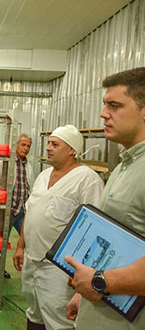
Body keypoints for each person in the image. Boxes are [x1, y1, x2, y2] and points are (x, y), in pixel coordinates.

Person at [65, 67, 145, 329]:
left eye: (115, 105)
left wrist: (99, 281)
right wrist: (82, 292)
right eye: (104, 104)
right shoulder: (126, 164)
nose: (103, 113)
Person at [13, 124, 104, 330]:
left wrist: (84, 274)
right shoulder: (43, 176)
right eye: (48, 143)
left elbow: (97, 229)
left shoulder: (86, 179)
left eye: (55, 144)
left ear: (71, 150)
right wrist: (21, 245)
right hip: (32, 260)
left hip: (60, 268)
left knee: (59, 319)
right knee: (34, 313)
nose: (48, 148)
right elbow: (31, 211)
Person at [0, 134, 34, 278]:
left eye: (28, 146)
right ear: (16, 145)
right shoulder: (7, 162)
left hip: (22, 211)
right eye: (23, 145)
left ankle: (30, 271)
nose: (26, 148)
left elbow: (29, 188)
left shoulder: (29, 166)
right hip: (8, 210)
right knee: (0, 243)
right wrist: (2, 204)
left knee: (29, 239)